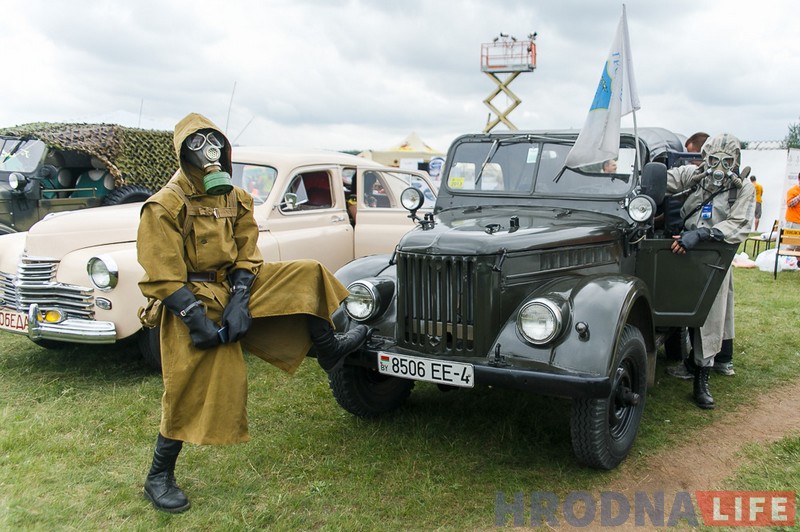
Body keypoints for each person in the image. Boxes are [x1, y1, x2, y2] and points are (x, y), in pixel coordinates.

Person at [136, 112, 368, 513]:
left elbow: (247, 251)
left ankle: (328, 348)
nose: (208, 154)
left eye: (215, 144)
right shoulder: (164, 205)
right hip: (190, 293)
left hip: (231, 283)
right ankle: (158, 476)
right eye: (198, 145)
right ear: (182, 154)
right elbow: (163, 276)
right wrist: (196, 320)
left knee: (306, 274)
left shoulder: (234, 197)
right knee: (188, 382)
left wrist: (241, 298)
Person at [666, 133, 755, 409]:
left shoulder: (742, 189)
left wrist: (705, 234)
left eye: (727, 161)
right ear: (705, 158)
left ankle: (701, 378)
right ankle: (684, 359)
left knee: (712, 314)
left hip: (714, 253)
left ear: (736, 161)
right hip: (682, 249)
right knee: (677, 304)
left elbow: (739, 223)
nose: (719, 167)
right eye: (714, 160)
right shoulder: (695, 175)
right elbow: (665, 179)